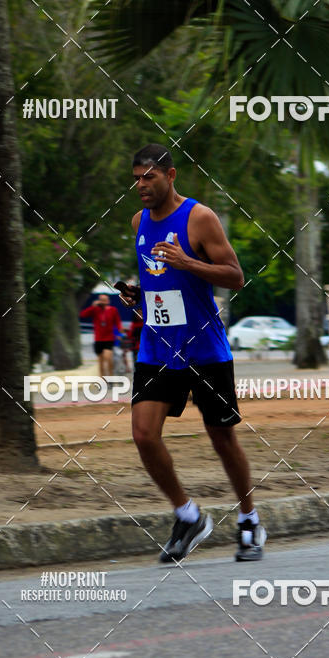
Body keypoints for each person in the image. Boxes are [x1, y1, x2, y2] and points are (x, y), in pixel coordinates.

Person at [117, 143, 266, 563]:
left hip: (204, 348)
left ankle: (250, 520)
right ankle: (188, 514)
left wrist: (189, 262)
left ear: (171, 175)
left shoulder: (199, 218)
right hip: (158, 346)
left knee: (222, 438)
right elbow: (157, 283)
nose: (142, 186)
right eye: (136, 179)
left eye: (149, 177)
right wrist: (138, 296)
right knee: (144, 435)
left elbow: (235, 277)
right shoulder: (138, 222)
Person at [80, 293, 122, 378]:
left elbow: (117, 322)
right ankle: (103, 380)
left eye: (105, 300)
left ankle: (110, 376)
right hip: (98, 339)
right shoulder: (95, 309)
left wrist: (119, 333)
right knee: (101, 362)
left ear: (108, 301)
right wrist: (93, 306)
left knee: (108, 357)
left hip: (109, 338)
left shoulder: (113, 310)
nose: (103, 302)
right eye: (101, 300)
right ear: (99, 301)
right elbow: (82, 315)